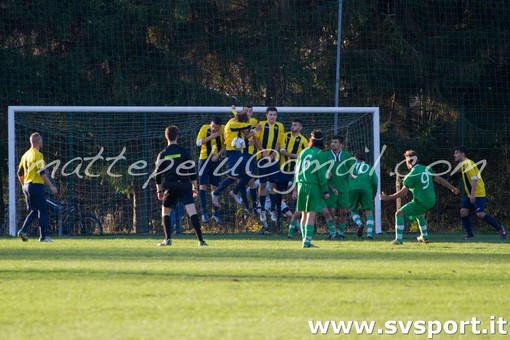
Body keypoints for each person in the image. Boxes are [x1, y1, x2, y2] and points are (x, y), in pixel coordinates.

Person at [380, 150, 459, 245]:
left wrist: (388, 197)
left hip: (421, 201)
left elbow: (402, 193)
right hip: (431, 199)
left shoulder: (412, 174)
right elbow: (439, 179)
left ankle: (398, 240)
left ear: (408, 162)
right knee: (420, 214)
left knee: (399, 214)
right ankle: (424, 236)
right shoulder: (426, 169)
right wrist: (452, 188)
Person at [154, 125, 207, 246]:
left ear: (165, 137)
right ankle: (201, 240)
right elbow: (192, 171)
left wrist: (159, 191)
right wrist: (194, 186)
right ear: (177, 136)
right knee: (192, 212)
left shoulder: (163, 154)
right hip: (184, 185)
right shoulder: (184, 152)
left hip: (170, 186)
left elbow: (157, 175)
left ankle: (167, 239)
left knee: (165, 213)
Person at [211, 109, 261, 220]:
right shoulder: (233, 124)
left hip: (238, 152)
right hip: (231, 153)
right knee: (232, 177)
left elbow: (245, 128)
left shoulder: (236, 122)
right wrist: (255, 128)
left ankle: (234, 191)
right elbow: (247, 125)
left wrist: (234, 110)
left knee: (249, 173)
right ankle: (216, 193)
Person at [453, 146, 506, 240]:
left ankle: (500, 228)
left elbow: (474, 178)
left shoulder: (468, 163)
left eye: (456, 153)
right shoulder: (464, 164)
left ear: (462, 153)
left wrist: (473, 195)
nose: (454, 155)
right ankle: (470, 235)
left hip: (478, 193)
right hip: (470, 194)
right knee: (463, 212)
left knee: (480, 214)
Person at [17, 132, 58, 242]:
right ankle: (40, 236)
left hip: (27, 185)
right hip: (35, 185)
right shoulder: (38, 154)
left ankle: (28, 232)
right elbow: (41, 172)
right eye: (41, 140)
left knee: (35, 210)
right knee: (42, 210)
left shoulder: (25, 155)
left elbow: (19, 173)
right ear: (39, 141)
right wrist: (51, 186)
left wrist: (23, 185)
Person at [294, 129, 330, 248]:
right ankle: (307, 242)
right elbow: (321, 173)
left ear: (311, 140)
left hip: (301, 184)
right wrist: (325, 190)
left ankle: (305, 240)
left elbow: (297, 170)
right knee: (311, 213)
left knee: (304, 213)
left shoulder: (303, 152)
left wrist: (295, 187)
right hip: (312, 185)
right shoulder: (320, 154)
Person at [254, 106, 285, 222]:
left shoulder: (280, 126)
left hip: (274, 159)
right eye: (270, 114)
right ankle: (261, 208)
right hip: (262, 158)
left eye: (274, 115)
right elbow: (256, 139)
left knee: (273, 185)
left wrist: (272, 155)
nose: (272, 117)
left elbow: (279, 142)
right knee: (262, 184)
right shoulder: (261, 124)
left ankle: (272, 209)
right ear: (266, 115)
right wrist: (264, 152)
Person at [278, 119, 308, 235]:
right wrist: (296, 155)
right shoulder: (285, 136)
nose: (293, 126)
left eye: (295, 125)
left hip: (295, 172)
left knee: (297, 197)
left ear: (300, 127)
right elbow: (282, 151)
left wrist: (298, 157)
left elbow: (305, 156)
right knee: (277, 195)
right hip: (283, 170)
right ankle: (280, 222)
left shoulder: (304, 140)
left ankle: (300, 224)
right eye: (292, 124)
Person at [323, 135, 355, 240]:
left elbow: (352, 168)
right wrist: (326, 172)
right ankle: (332, 233)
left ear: (341, 144)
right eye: (332, 142)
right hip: (330, 188)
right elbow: (321, 170)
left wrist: (352, 174)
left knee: (344, 211)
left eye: (335, 142)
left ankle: (341, 233)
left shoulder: (347, 155)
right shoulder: (326, 155)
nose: (333, 144)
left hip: (344, 188)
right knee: (331, 212)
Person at [196, 117, 225, 223]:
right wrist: (211, 136)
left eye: (216, 127)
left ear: (220, 127)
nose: (214, 128)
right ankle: (204, 213)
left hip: (216, 161)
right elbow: (198, 143)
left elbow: (226, 145)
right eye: (213, 126)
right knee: (202, 186)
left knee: (215, 188)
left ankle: (215, 212)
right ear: (210, 124)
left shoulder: (223, 130)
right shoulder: (204, 128)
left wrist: (218, 155)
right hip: (203, 160)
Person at [349, 153, 378, 239]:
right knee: (369, 212)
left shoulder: (351, 167)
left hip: (353, 189)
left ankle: (360, 224)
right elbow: (375, 182)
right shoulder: (369, 167)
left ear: (355, 159)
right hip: (366, 190)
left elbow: (347, 178)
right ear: (365, 160)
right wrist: (373, 194)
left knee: (352, 209)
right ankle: (369, 234)